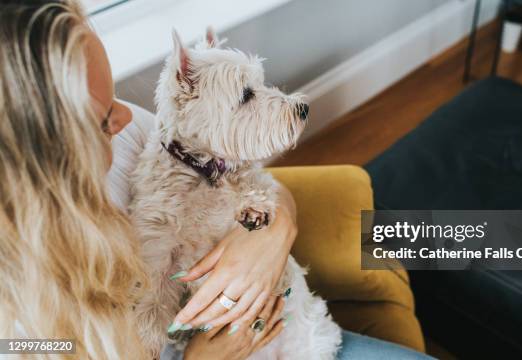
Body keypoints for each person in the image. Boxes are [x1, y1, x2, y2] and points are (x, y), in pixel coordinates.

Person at [0, 1, 434, 359]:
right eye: (98, 119)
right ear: (42, 151)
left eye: (111, 95)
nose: (124, 115)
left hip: (290, 337)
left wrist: (269, 234)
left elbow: (240, 179)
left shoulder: (135, 134)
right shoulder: (17, 329)